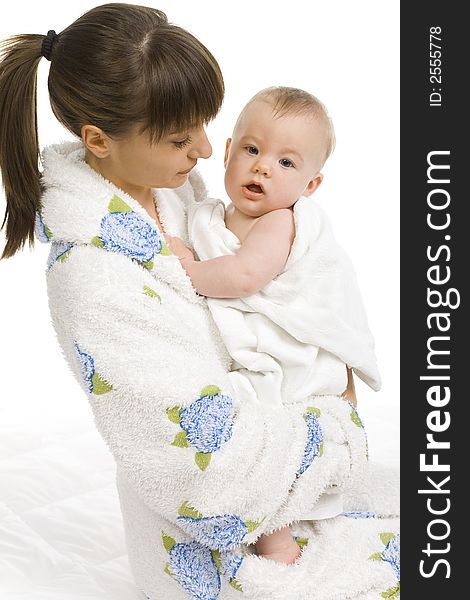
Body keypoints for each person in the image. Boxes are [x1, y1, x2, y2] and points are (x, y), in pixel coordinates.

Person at [0, 5, 376, 599]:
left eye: (204, 126)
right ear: (98, 139)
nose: (206, 149)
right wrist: (335, 425)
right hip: (216, 547)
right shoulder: (96, 279)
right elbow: (202, 474)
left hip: (286, 471)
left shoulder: (174, 195)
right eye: (181, 137)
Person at [168, 87, 382, 563]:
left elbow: (245, 276)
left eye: (287, 163)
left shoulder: (280, 222)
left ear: (310, 186)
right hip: (254, 345)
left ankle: (276, 540)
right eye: (251, 149)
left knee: (264, 431)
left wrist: (186, 267)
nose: (263, 166)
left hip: (289, 358)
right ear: (227, 153)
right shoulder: (211, 214)